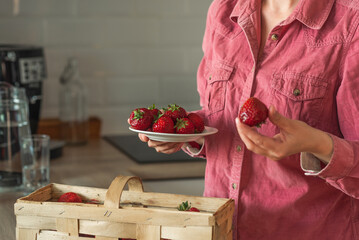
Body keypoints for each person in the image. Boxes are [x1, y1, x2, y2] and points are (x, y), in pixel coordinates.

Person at [137, 0, 359, 239]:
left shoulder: (351, 21)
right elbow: (218, 116)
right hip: (219, 229)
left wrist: (315, 144)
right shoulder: (223, 10)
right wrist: (186, 134)